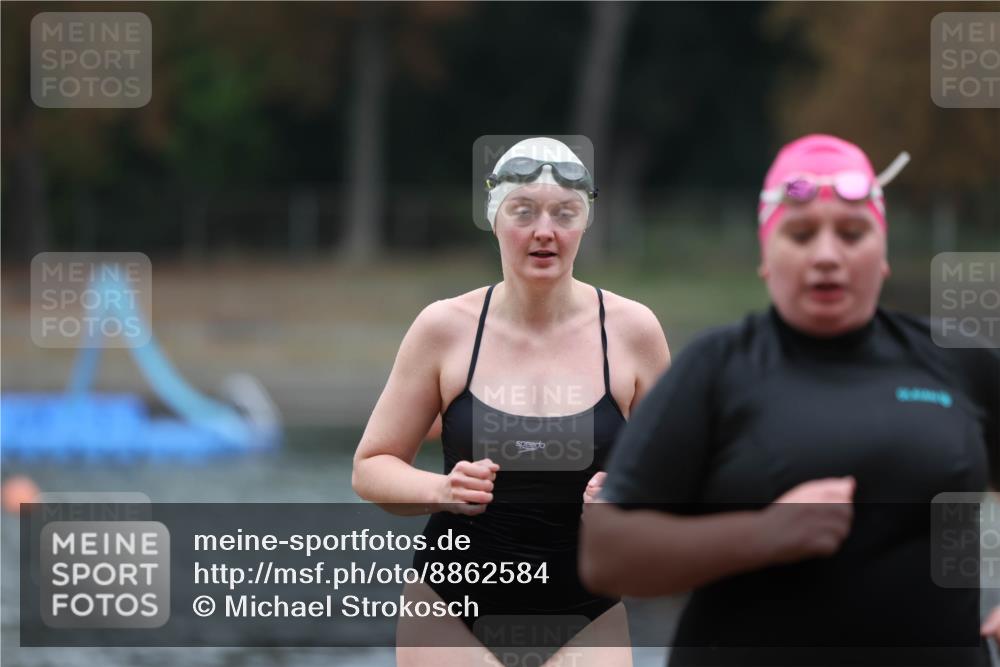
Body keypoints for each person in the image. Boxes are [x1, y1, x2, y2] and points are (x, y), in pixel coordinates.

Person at [580, 134, 1000, 666]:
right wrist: (764, 534)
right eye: (801, 235)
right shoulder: (717, 369)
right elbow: (607, 554)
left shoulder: (958, 361)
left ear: (884, 252)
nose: (827, 256)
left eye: (852, 233)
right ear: (766, 256)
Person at [353, 137, 670, 666]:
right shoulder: (444, 328)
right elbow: (371, 467)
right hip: (451, 610)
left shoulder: (632, 331)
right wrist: (442, 488)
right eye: (523, 211)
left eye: (564, 213)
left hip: (586, 611)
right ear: (495, 219)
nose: (544, 230)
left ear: (584, 224)